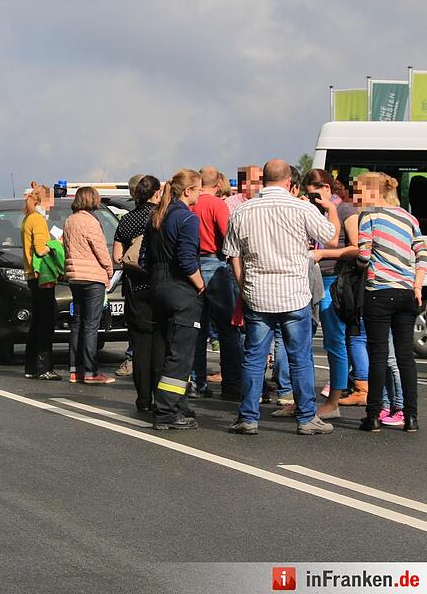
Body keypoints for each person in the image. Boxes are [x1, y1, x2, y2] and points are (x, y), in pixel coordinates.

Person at [224, 160, 339, 436]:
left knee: (254, 357)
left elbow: (232, 255)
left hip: (258, 294)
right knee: (299, 357)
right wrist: (331, 207)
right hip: (293, 294)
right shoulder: (301, 208)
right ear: (289, 181)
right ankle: (306, 417)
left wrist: (243, 286)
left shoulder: (242, 211)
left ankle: (248, 417)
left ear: (263, 180)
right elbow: (332, 239)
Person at [353, 172, 422, 433]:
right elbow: (421, 254)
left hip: (379, 292)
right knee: (406, 356)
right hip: (407, 293)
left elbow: (364, 254)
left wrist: (359, 266)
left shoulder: (370, 216)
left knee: (379, 355)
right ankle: (411, 417)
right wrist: (416, 284)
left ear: (372, 192)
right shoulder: (409, 218)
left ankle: (372, 417)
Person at [142, 169, 204, 430]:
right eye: (199, 188)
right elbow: (187, 260)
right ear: (188, 191)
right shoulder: (187, 219)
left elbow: (144, 257)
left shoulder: (157, 216)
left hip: (157, 287)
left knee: (167, 349)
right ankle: (168, 412)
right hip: (180, 290)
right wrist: (201, 286)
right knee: (181, 355)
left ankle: (173, 403)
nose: (201, 193)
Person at [301, 168, 361, 418]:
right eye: (308, 195)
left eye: (315, 194)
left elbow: (356, 249)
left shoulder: (346, 210)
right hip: (310, 278)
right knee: (301, 342)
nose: (313, 199)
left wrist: (324, 253)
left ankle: (333, 401)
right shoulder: (313, 211)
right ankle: (302, 399)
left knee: (334, 341)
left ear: (327, 188)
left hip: (333, 280)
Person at [189, 166, 242, 401]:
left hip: (192, 265)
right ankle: (232, 383)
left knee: (197, 328)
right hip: (215, 263)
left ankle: (197, 382)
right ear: (218, 184)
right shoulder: (217, 204)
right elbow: (227, 236)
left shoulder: (189, 203)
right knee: (227, 328)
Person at [114, 174, 163, 411]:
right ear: (156, 194)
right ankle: (160, 396)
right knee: (160, 345)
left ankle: (143, 399)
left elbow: (117, 256)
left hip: (134, 288)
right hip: (158, 287)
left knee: (141, 346)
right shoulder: (160, 218)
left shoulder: (126, 220)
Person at [64, 186, 115, 385]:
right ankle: (90, 371)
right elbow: (101, 250)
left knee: (77, 323)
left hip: (75, 277)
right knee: (91, 325)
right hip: (93, 277)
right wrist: (109, 271)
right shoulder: (91, 222)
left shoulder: (70, 221)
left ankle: (74, 370)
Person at [21, 183, 60, 380]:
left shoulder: (29, 218)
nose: (53, 202)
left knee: (37, 321)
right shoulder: (38, 220)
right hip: (41, 275)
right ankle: (44, 366)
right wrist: (57, 244)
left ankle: (31, 366)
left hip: (31, 275)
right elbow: (40, 249)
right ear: (45, 199)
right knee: (46, 321)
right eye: (51, 198)